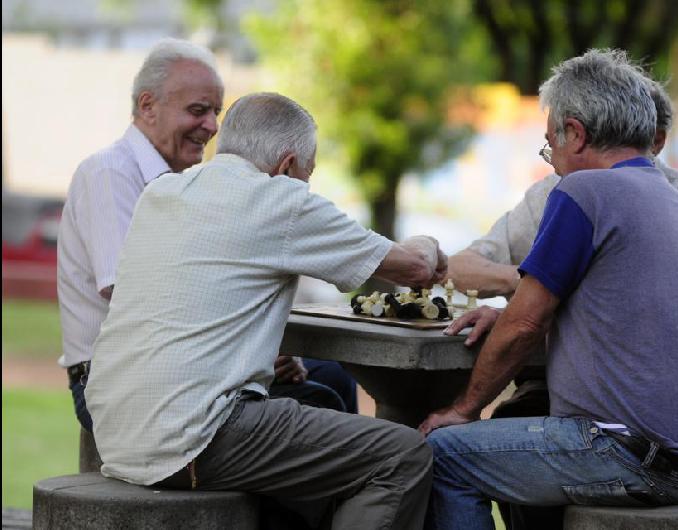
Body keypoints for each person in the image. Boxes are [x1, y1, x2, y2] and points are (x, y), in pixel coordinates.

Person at [86, 92, 446, 530]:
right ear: (288, 165)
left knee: (320, 398)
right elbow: (414, 267)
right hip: (193, 439)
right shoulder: (282, 200)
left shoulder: (161, 192)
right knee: (402, 455)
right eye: (308, 175)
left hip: (116, 432)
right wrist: (430, 246)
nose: (307, 185)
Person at [419, 49, 678, 530]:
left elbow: (526, 322)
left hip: (627, 454)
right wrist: (515, 312)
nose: (553, 162)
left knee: (443, 453)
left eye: (551, 145)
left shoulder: (583, 191)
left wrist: (463, 409)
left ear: (576, 132)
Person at [57, 39, 352, 434]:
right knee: (322, 400)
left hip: (180, 372)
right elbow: (131, 291)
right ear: (148, 106)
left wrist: (260, 354)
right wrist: (252, 354)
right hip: (118, 385)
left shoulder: (186, 182)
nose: (213, 127)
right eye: (198, 111)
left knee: (332, 375)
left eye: (216, 112)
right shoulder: (109, 172)